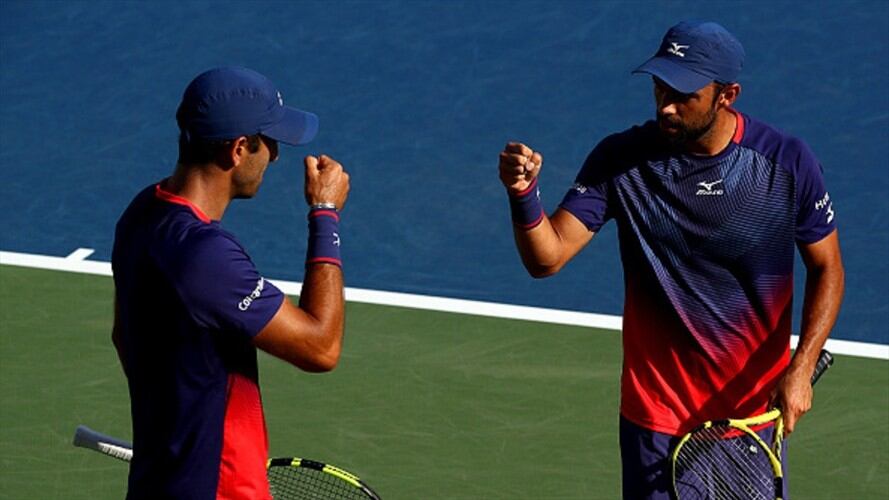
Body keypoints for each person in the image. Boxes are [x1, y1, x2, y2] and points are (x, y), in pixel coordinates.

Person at [498, 21, 844, 499]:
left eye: (685, 95)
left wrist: (802, 366)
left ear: (728, 95)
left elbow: (827, 267)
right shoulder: (622, 161)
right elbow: (548, 258)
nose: (666, 105)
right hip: (655, 424)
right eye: (661, 88)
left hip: (750, 423)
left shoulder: (785, 164)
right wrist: (523, 196)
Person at [111, 66, 350, 499]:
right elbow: (321, 347)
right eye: (269, 141)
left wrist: (174, 434)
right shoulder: (206, 257)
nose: (275, 156)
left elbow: (124, 337)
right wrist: (325, 212)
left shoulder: (141, 214)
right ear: (239, 149)